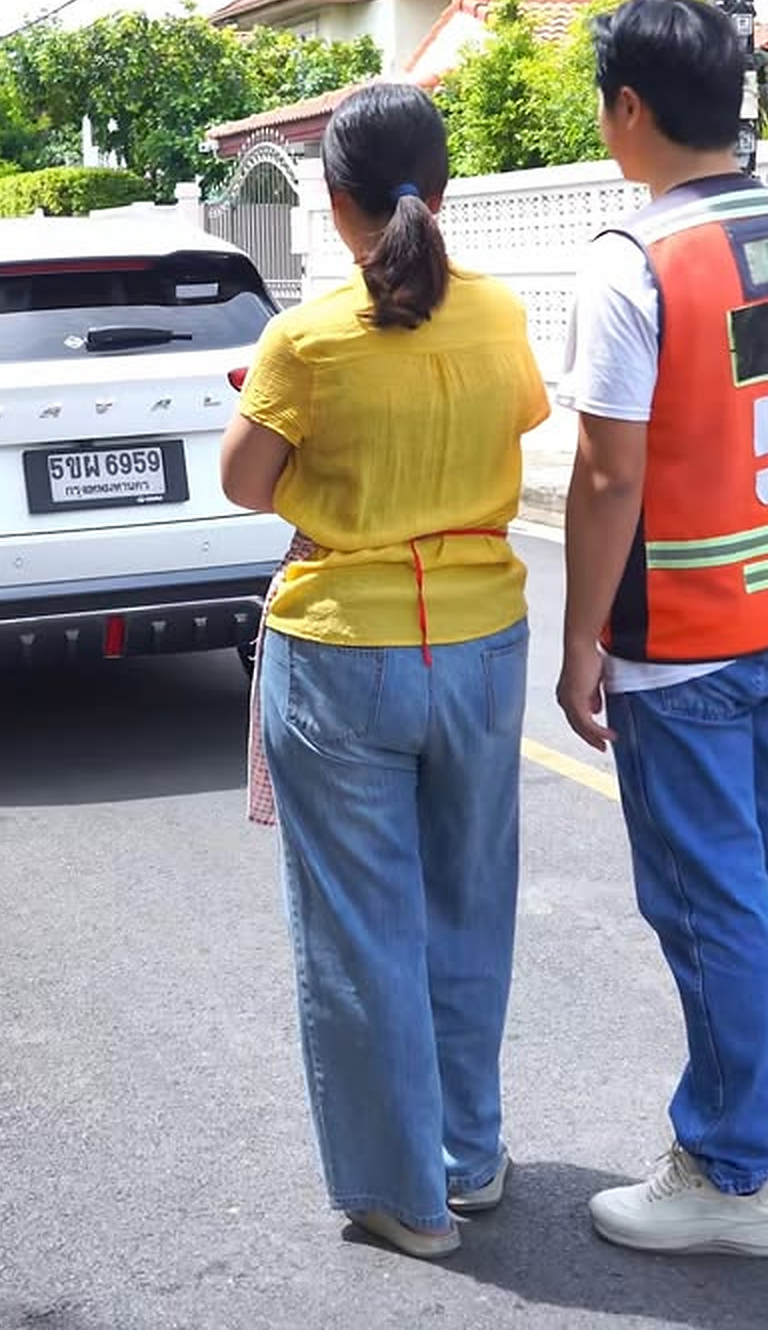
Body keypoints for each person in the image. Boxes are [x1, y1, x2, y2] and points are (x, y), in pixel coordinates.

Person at [221, 82, 549, 1260]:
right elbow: (509, 426)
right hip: (483, 643)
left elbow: (244, 484)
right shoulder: (499, 313)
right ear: (442, 189)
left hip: (343, 652)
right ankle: (469, 1158)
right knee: (470, 904)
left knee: (362, 930)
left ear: (333, 199)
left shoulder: (306, 339)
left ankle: (403, 1197)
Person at [556, 0, 768, 1259]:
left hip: (687, 641)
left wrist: (579, 639)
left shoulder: (634, 260)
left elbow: (609, 476)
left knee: (715, 907)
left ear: (629, 108)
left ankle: (728, 1171)